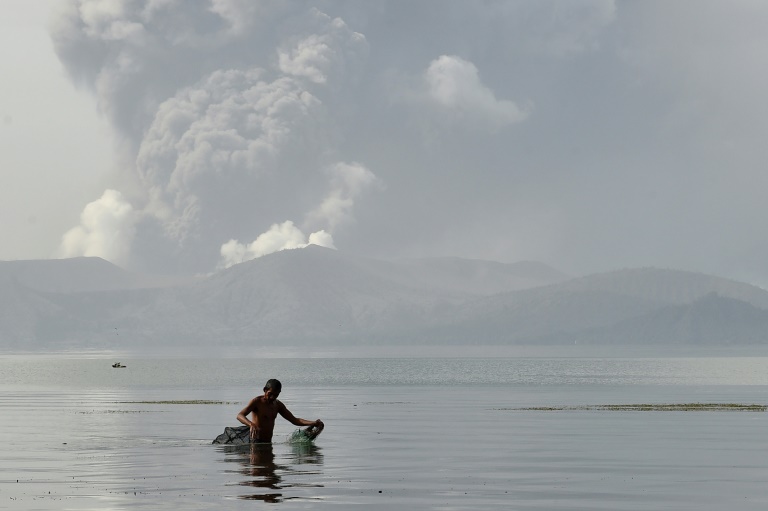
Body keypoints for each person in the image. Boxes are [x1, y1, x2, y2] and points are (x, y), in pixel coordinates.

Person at [237, 379, 323, 443]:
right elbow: (240, 415)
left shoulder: (278, 405)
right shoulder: (256, 402)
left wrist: (313, 423)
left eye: (276, 395)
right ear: (265, 390)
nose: (272, 397)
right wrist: (251, 424)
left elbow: (295, 420)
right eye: (270, 394)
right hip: (255, 442)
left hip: (268, 442)